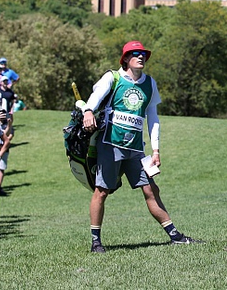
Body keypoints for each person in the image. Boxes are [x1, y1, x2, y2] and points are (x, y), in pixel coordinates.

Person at [82, 41, 202, 253]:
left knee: (151, 189)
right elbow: (96, 96)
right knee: (101, 191)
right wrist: (89, 111)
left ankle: (175, 236)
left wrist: (156, 150)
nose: (141, 57)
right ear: (126, 59)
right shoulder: (113, 78)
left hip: (136, 148)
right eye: (135, 54)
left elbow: (152, 117)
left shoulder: (150, 83)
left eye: (144, 54)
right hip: (110, 144)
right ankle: (96, 242)